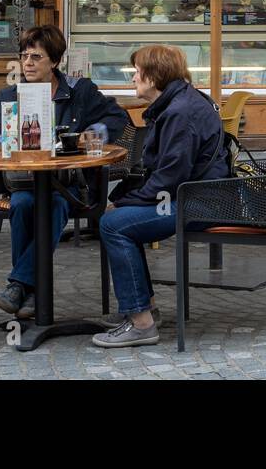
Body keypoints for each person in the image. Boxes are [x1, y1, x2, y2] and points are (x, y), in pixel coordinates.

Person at [0, 24, 128, 319]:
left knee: (57, 202)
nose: (27, 63)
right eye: (24, 56)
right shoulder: (10, 95)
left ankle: (20, 285)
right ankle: (31, 292)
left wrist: (92, 133)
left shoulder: (79, 91)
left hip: (69, 183)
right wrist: (3, 136)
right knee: (23, 204)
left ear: (55, 62)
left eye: (36, 57)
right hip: (23, 183)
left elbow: (117, 117)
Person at [93, 44, 227, 348]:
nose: (133, 79)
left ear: (153, 77)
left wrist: (124, 202)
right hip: (195, 195)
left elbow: (169, 178)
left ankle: (141, 324)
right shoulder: (178, 103)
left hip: (197, 202)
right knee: (119, 219)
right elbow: (162, 173)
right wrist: (125, 199)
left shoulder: (179, 112)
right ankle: (145, 308)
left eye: (136, 73)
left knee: (114, 224)